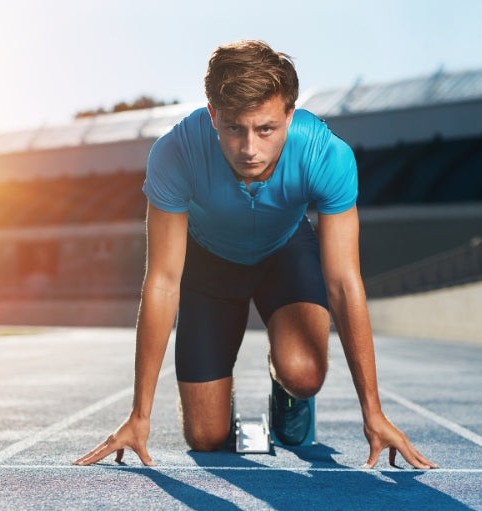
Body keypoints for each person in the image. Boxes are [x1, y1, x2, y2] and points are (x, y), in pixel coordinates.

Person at [74, 40, 437, 470]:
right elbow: (163, 281)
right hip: (209, 263)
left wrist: (372, 412)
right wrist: (140, 415)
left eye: (265, 129)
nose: (249, 148)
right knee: (205, 438)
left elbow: (343, 282)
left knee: (303, 373)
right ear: (212, 115)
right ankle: (220, 407)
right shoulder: (175, 153)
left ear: (289, 114)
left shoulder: (326, 155)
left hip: (284, 251)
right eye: (233, 128)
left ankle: (283, 384)